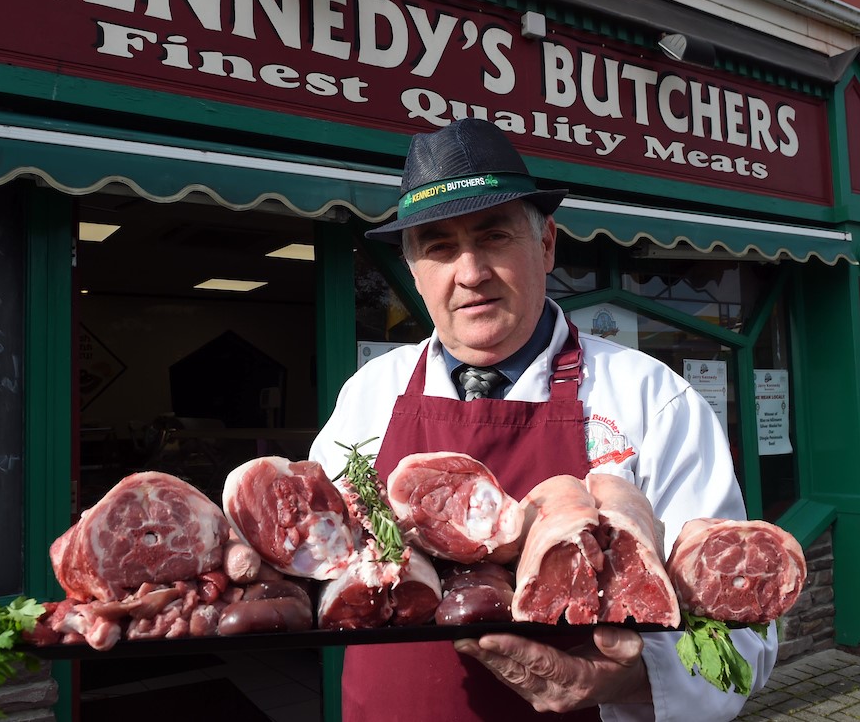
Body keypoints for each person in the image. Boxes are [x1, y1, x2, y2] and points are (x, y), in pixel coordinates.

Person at [309, 118, 778, 721]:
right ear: (415, 272)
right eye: (439, 247)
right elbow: (311, 565)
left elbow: (741, 635)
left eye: (494, 236)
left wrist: (620, 681)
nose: (470, 271)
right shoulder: (370, 393)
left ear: (548, 243)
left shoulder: (651, 397)